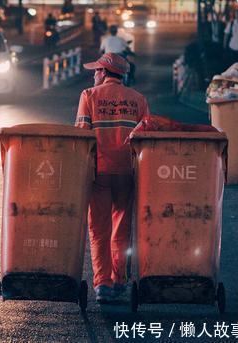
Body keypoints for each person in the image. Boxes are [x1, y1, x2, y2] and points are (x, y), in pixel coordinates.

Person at [74, 53, 150, 302]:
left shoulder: (89, 96)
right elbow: (147, 139)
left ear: (104, 73)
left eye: (96, 70)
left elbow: (82, 136)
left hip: (99, 173)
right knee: (122, 229)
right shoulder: (138, 99)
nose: (93, 75)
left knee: (99, 230)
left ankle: (103, 284)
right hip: (128, 173)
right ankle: (120, 280)